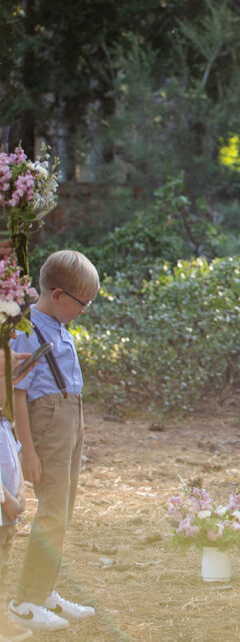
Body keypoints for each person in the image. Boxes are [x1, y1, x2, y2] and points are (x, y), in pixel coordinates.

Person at [8, 250, 99, 633]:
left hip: (70, 418)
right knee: (50, 514)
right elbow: (16, 393)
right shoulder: (28, 328)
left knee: (63, 512)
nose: (84, 310)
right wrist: (28, 451)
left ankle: (44, 591)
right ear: (58, 294)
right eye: (83, 303)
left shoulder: (60, 326)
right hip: (47, 422)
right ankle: (25, 600)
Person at [0, 349, 35, 642]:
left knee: (3, 567)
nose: (9, 387)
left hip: (7, 517)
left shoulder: (4, 424)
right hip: (2, 510)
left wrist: (21, 490)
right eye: (3, 380)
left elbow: (15, 459)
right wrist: (6, 499)